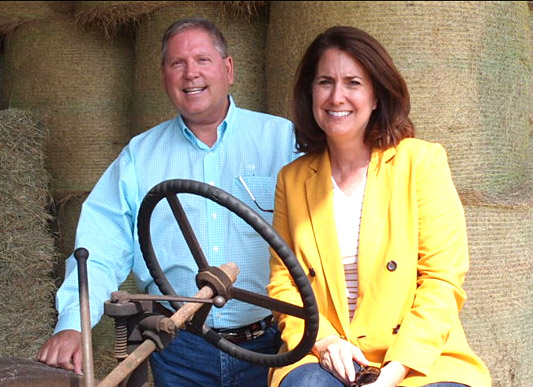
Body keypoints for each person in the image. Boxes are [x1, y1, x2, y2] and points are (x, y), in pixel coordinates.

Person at [37, 17, 297, 387]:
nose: (190, 73)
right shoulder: (140, 156)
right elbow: (99, 247)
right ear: (163, 77)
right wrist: (73, 326)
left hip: (272, 343)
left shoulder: (284, 140)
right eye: (177, 63)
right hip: (178, 346)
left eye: (202, 60)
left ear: (229, 69)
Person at [267, 26, 492, 387]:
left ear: (376, 96)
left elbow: (442, 280)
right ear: (310, 92)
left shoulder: (421, 162)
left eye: (353, 83)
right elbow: (284, 283)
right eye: (325, 82)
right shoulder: (292, 180)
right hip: (326, 352)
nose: (337, 96)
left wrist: (394, 372)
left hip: (417, 357)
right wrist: (323, 341)